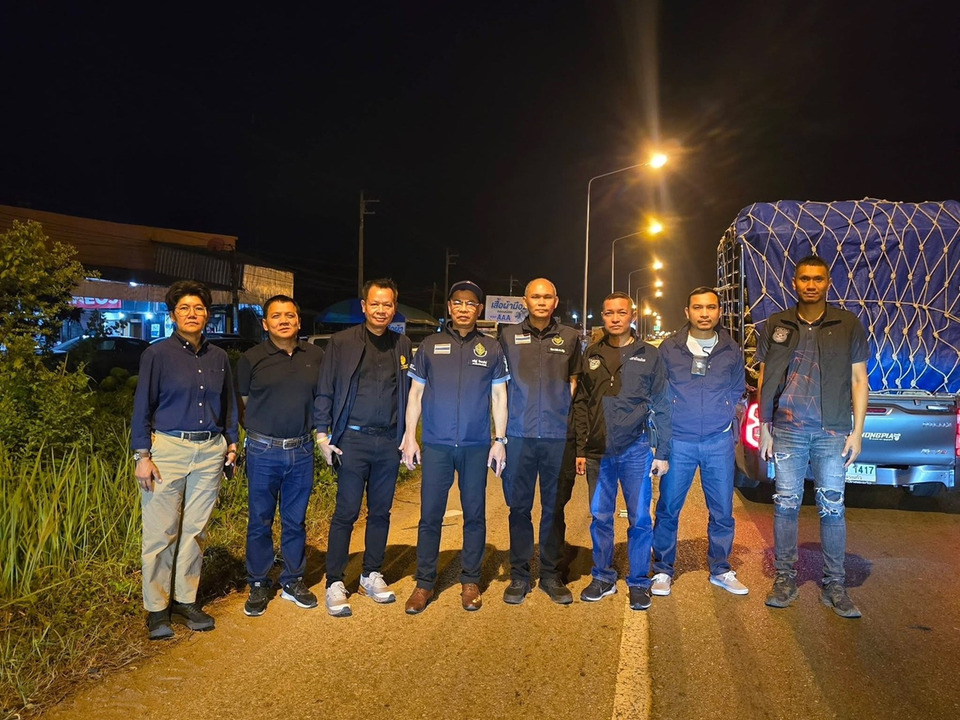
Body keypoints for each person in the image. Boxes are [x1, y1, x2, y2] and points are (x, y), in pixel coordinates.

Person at [757, 255, 869, 618]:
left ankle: (834, 585)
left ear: (828, 283)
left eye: (817, 279)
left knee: (832, 507)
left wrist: (857, 432)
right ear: (794, 282)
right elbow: (764, 377)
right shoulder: (777, 324)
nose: (810, 284)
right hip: (787, 429)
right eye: (804, 278)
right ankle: (784, 579)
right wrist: (765, 426)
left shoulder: (847, 324)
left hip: (831, 431)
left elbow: (859, 380)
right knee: (785, 505)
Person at [132, 280, 239, 640]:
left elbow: (228, 404)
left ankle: (185, 600)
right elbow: (142, 406)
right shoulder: (157, 354)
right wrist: (142, 455)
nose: (192, 314)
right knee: (160, 532)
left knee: (195, 531)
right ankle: (156, 609)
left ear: (208, 314)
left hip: (210, 450)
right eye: (184, 308)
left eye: (199, 308)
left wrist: (232, 443)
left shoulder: (218, 357)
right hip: (168, 450)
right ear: (173, 315)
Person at [400, 280, 509, 614]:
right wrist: (409, 437)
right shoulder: (429, 346)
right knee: (430, 515)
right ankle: (424, 583)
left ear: (479, 309)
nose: (464, 308)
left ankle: (470, 580)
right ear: (449, 307)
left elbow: (499, 396)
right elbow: (415, 394)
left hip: (476, 446)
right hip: (437, 444)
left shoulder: (491, 348)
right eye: (458, 303)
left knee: (474, 515)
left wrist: (499, 441)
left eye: (470, 303)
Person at [314, 279, 412, 617]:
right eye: (375, 303)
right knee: (346, 512)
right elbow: (325, 388)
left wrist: (408, 436)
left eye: (387, 304)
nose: (381, 310)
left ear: (394, 308)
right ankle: (334, 581)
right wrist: (322, 435)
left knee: (381, 512)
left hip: (388, 441)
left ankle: (371, 574)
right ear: (364, 306)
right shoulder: (341, 342)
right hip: (352, 441)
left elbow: (408, 393)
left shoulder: (402, 344)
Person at [573, 291, 670, 611]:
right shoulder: (592, 353)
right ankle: (602, 577)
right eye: (609, 313)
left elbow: (662, 403)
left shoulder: (649, 355)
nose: (615, 318)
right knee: (601, 517)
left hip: (635, 450)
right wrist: (581, 447)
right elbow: (582, 403)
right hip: (599, 452)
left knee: (640, 518)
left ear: (632, 315)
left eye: (621, 312)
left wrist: (662, 451)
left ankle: (639, 582)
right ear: (603, 316)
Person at [651, 287, 748, 597]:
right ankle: (663, 569)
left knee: (722, 510)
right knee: (668, 508)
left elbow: (737, 388)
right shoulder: (669, 348)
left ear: (719, 311)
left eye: (710, 307)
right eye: (697, 307)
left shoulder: (731, 349)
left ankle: (720, 568)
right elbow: (659, 392)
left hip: (718, 442)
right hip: (679, 441)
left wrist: (724, 413)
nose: (704, 313)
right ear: (687, 312)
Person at [237, 295, 324, 617]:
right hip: (262, 451)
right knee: (260, 520)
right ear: (265, 323)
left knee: (295, 520)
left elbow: (322, 398)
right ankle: (259, 582)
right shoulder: (251, 359)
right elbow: (243, 404)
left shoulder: (316, 356)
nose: (283, 320)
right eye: (276, 316)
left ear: (299, 321)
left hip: (301, 449)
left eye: (289, 315)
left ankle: (292, 580)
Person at [497, 278, 581, 605]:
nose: (542, 302)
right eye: (536, 296)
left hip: (558, 438)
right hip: (518, 435)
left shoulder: (570, 337)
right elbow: (497, 386)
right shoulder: (506, 336)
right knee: (519, 508)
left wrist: (561, 414)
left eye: (547, 297)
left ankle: (550, 574)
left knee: (554, 508)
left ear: (555, 301)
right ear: (525, 301)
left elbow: (574, 381)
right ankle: (519, 574)